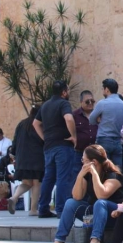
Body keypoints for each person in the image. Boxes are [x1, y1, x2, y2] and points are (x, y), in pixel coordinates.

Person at [45, 145, 123, 243]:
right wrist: (80, 176)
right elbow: (77, 196)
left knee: (100, 203)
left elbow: (102, 195)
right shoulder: (86, 175)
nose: (82, 162)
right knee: (70, 203)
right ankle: (59, 242)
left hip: (114, 216)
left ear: (94, 162)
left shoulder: (114, 175)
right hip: (95, 214)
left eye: (84, 160)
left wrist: (94, 174)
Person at [33, 81, 78, 218]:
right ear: (64, 92)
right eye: (68, 90)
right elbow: (69, 118)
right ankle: (61, 209)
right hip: (63, 146)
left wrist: (45, 138)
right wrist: (74, 136)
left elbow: (36, 123)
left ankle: (43, 208)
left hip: (48, 147)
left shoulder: (45, 105)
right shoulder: (63, 103)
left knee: (49, 178)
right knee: (63, 177)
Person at [8, 105, 45, 216]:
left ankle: (14, 198)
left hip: (22, 158)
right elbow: (43, 140)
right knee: (37, 183)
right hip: (37, 157)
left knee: (27, 183)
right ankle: (33, 209)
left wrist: (14, 153)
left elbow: (15, 140)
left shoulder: (22, 123)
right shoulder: (40, 124)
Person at [89, 79, 123, 167]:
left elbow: (91, 120)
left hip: (104, 139)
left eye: (103, 88)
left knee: (103, 168)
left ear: (107, 89)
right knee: (117, 169)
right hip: (118, 140)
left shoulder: (102, 103)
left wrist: (99, 121)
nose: (102, 91)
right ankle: (117, 181)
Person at [73, 91, 98, 173]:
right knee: (78, 175)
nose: (90, 103)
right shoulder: (74, 115)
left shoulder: (97, 114)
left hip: (94, 153)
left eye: (92, 101)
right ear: (81, 102)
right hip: (79, 152)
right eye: (87, 101)